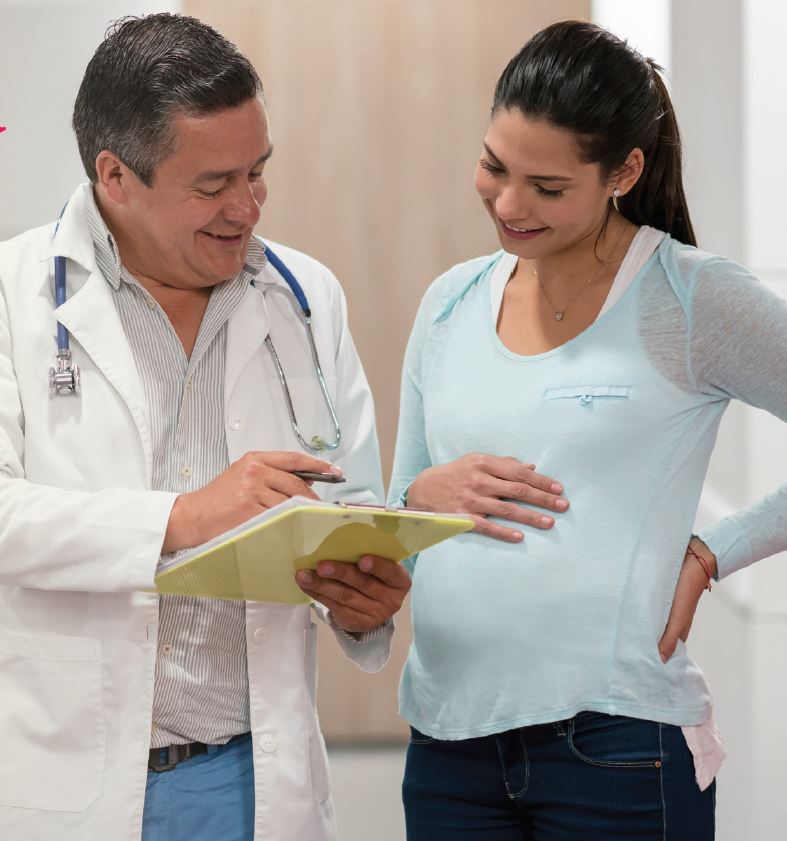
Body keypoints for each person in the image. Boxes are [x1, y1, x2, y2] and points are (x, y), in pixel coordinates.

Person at [0, 13, 411, 841]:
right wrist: (183, 517)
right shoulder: (14, 298)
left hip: (258, 778)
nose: (247, 206)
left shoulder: (305, 296)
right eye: (214, 183)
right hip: (74, 776)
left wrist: (362, 598)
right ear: (116, 175)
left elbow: (350, 496)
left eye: (259, 172)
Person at [388, 20, 787, 840]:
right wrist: (418, 496)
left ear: (623, 172)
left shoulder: (688, 298)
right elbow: (396, 508)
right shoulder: (450, 301)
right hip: (447, 742)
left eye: (545, 185)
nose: (507, 203)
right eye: (494, 166)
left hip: (616, 744)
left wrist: (718, 547)